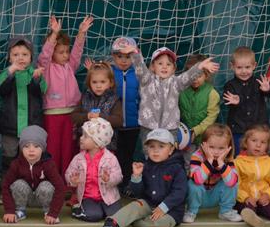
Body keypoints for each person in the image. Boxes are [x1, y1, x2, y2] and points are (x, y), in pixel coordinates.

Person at [112, 44, 219, 159]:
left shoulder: (176, 83)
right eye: (160, 64)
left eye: (168, 64)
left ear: (173, 69)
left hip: (170, 128)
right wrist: (135, 53)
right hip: (149, 127)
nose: (164, 67)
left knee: (169, 157)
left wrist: (200, 66)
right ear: (153, 66)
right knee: (150, 156)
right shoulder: (146, 81)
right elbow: (140, 69)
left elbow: (187, 77)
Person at [100, 129, 187, 227]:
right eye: (152, 146)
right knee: (135, 206)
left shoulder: (177, 168)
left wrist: (164, 207)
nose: (156, 150)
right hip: (148, 204)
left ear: (171, 150)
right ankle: (113, 222)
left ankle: (133, 221)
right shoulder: (145, 166)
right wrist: (136, 176)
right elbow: (137, 193)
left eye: (161, 146)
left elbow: (180, 192)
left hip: (171, 210)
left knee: (162, 224)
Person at [37, 15, 93, 176]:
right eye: (60, 52)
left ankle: (69, 180)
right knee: (54, 149)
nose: (65, 55)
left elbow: (77, 52)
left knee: (69, 148)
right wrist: (54, 35)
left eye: (66, 51)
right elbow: (44, 56)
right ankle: (53, 180)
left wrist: (81, 34)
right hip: (52, 115)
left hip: (72, 114)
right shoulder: (46, 68)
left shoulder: (70, 66)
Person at [0, 36, 46, 174]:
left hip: (31, 126)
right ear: (9, 58)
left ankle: (28, 185)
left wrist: (36, 78)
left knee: (30, 158)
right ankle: (7, 187)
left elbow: (43, 89)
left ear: (31, 57)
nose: (20, 58)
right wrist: (10, 72)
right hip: (10, 127)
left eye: (25, 54)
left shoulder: (34, 73)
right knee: (8, 157)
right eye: (15, 55)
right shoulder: (6, 73)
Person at [1, 125, 66, 225]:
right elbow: (5, 186)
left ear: (43, 148)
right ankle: (20, 210)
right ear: (21, 148)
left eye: (36, 146)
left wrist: (54, 212)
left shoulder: (49, 164)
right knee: (18, 184)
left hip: (43, 197)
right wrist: (9, 210)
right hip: (26, 198)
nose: (31, 150)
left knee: (46, 186)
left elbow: (60, 187)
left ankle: (47, 212)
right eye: (26, 146)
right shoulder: (16, 164)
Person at [66, 118, 123, 222]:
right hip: (88, 198)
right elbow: (69, 173)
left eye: (86, 136)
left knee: (116, 215)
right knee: (94, 216)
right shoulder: (78, 158)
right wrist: (72, 180)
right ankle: (78, 210)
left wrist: (109, 179)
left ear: (97, 142)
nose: (81, 138)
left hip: (109, 197)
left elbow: (119, 176)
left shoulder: (110, 158)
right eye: (82, 135)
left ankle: (101, 210)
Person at [184, 124, 242, 223]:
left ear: (229, 147)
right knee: (192, 184)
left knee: (232, 180)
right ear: (203, 144)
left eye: (221, 148)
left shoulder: (228, 159)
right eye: (211, 147)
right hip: (200, 196)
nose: (216, 152)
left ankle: (226, 212)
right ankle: (191, 212)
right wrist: (209, 161)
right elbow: (198, 180)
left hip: (215, 197)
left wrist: (221, 164)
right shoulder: (197, 156)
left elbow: (232, 183)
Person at [222, 47, 270, 153]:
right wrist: (236, 101)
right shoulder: (230, 85)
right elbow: (227, 99)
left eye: (247, 67)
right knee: (239, 154)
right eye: (239, 67)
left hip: (258, 127)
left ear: (254, 66)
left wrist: (268, 89)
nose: (244, 71)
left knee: (260, 152)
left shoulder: (259, 81)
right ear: (232, 67)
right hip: (238, 128)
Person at [234, 125, 270, 227]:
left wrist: (268, 195)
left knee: (268, 207)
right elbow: (234, 184)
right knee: (246, 208)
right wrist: (245, 197)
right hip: (245, 199)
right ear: (245, 143)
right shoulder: (237, 162)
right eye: (254, 140)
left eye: (263, 142)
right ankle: (253, 219)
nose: (258, 145)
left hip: (263, 198)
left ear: (267, 146)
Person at [109, 36, 141, 190]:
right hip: (114, 125)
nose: (123, 60)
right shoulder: (109, 73)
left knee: (129, 156)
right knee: (115, 156)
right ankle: (115, 184)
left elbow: (143, 98)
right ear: (114, 56)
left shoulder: (138, 74)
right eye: (119, 56)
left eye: (128, 56)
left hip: (133, 124)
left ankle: (128, 184)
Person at [71, 61, 123, 144]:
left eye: (103, 82)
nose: (98, 86)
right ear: (89, 83)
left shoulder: (114, 99)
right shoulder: (85, 97)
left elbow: (119, 121)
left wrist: (100, 116)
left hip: (107, 146)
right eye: (94, 82)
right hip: (86, 145)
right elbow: (74, 116)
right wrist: (87, 116)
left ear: (111, 83)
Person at [179, 54, 221, 153]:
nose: (195, 79)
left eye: (199, 76)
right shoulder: (181, 90)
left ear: (206, 75)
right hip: (186, 137)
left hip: (205, 138)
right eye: (192, 75)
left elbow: (211, 117)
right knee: (187, 161)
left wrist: (196, 130)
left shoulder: (212, 94)